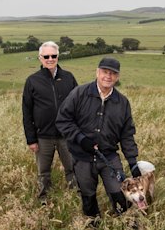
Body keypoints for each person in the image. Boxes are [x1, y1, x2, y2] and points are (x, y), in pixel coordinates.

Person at [56, 57, 141, 220]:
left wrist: (133, 162)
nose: (108, 76)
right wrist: (80, 139)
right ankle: (93, 223)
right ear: (97, 72)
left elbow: (127, 134)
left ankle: (127, 222)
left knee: (119, 193)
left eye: (112, 73)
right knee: (88, 196)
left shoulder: (122, 102)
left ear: (117, 77)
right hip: (82, 157)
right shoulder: (79, 93)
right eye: (105, 72)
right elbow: (62, 120)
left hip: (109, 156)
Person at [22, 41, 78, 204]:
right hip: (43, 136)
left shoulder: (68, 77)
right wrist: (31, 139)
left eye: (53, 56)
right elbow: (27, 111)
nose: (50, 59)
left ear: (58, 57)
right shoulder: (32, 81)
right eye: (46, 56)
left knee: (72, 168)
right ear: (40, 58)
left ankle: (74, 196)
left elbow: (78, 105)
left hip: (66, 134)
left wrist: (76, 131)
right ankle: (43, 199)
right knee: (43, 171)